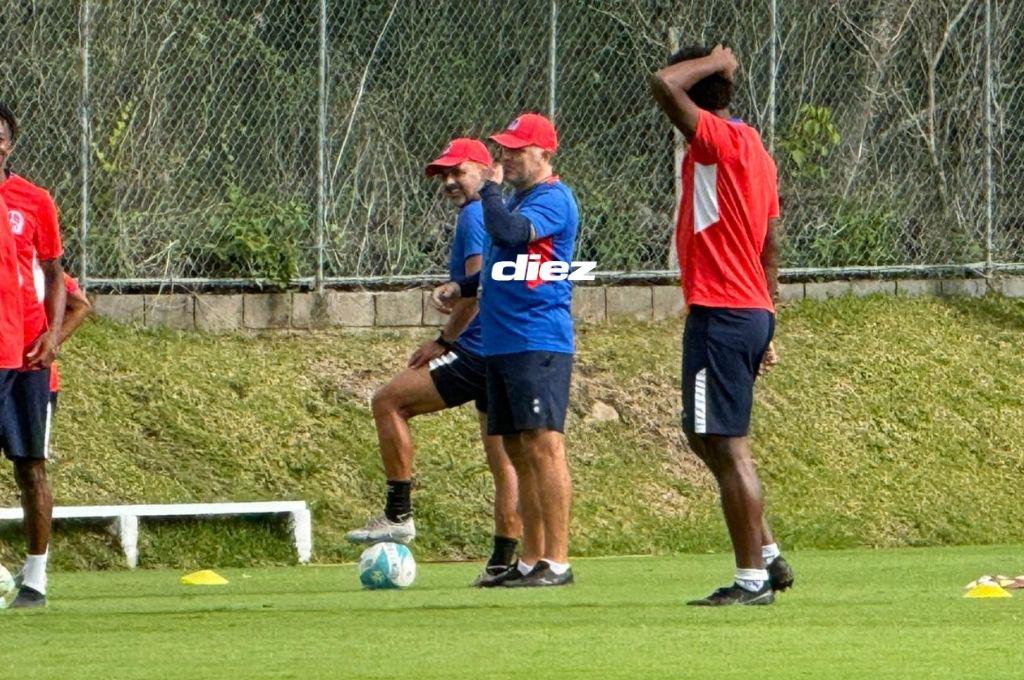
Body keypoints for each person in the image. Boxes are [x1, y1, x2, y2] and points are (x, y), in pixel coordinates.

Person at [649, 44, 794, 606]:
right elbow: (770, 245)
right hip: (747, 310)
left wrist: (716, 61)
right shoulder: (755, 148)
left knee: (728, 447)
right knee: (701, 432)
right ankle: (768, 553)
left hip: (722, 311)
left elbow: (663, 84)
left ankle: (751, 581)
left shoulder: (720, 139)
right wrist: (770, 319)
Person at [346, 138, 523, 583]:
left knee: (388, 401)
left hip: (476, 351)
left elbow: (480, 287)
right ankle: (504, 559)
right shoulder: (495, 213)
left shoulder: (474, 215)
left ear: (485, 170)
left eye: (458, 171)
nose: (449, 181)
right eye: (443, 175)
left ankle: (398, 513)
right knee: (504, 463)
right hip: (501, 351)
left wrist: (444, 341)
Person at [432, 113, 579, 587]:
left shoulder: (552, 198)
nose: (507, 157)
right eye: (505, 148)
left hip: (537, 339)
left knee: (544, 447)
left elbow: (510, 233)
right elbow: (504, 264)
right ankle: (530, 559)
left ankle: (556, 561)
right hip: (503, 342)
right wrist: (463, 286)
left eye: (517, 149)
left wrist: (490, 190)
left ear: (544, 154)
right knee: (519, 452)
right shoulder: (519, 200)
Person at [0, 101, 67, 609]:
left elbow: (56, 274)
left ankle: (36, 579)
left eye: (1, 134)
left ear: (10, 142)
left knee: (31, 466)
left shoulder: (34, 200)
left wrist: (53, 336)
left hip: (25, 357)